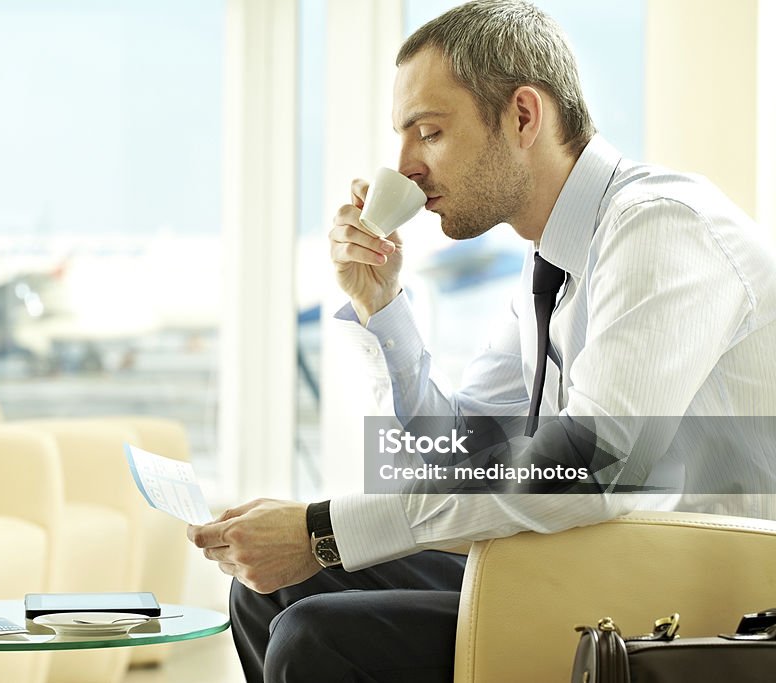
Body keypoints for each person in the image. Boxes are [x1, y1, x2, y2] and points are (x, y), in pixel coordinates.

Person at [187, 1, 776, 681]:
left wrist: (323, 529)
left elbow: (587, 469)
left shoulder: (662, 231)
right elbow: (454, 448)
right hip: (590, 567)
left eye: (428, 132)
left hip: (696, 608)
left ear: (524, 116)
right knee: (271, 593)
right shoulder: (550, 263)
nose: (403, 166)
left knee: (316, 633)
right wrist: (381, 305)